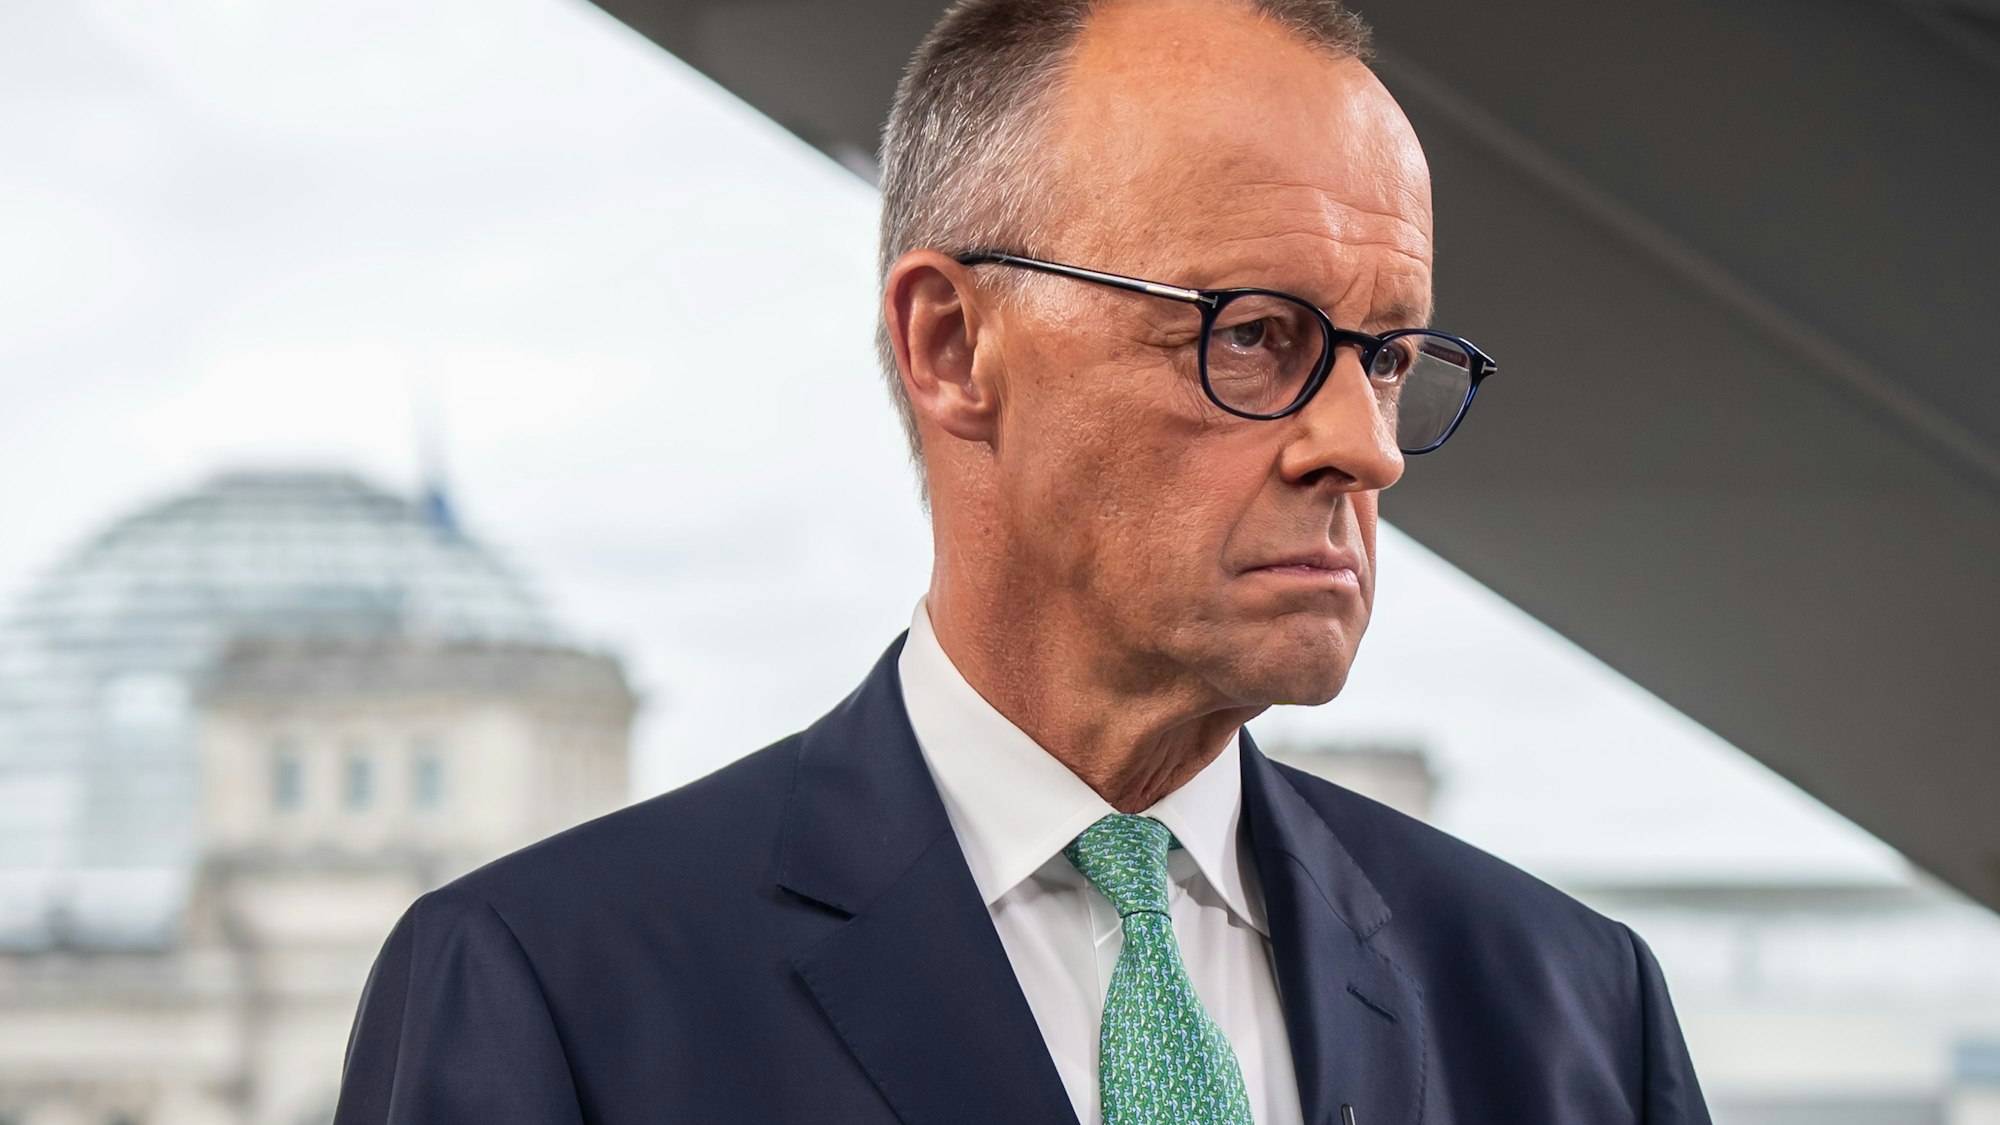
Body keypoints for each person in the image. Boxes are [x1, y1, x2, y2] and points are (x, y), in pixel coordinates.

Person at [332, 0, 1713, 1122]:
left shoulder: (1576, 1014)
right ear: (953, 346)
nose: (1366, 448)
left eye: (1390, 358)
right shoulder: (553, 995)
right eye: (1253, 334)